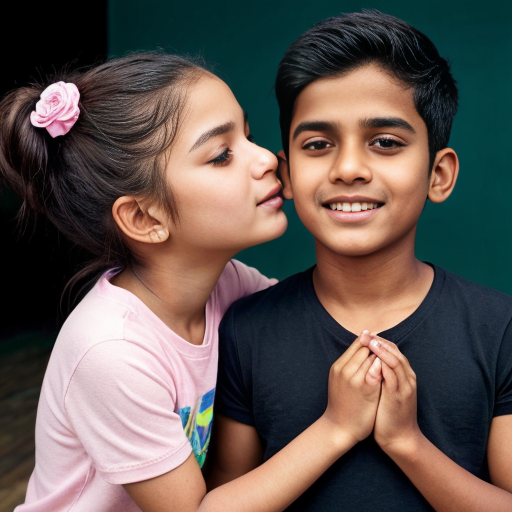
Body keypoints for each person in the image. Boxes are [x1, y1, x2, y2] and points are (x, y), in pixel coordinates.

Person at [0, 50, 386, 512]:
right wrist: (337, 428)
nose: (266, 159)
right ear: (145, 216)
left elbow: (309, 319)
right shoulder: (111, 351)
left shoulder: (227, 284)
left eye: (249, 136)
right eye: (221, 155)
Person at [209, 10, 512, 512]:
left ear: (439, 174)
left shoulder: (499, 330)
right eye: (318, 144)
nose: (348, 168)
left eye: (385, 143)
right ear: (285, 174)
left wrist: (408, 444)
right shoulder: (247, 330)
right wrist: (335, 430)